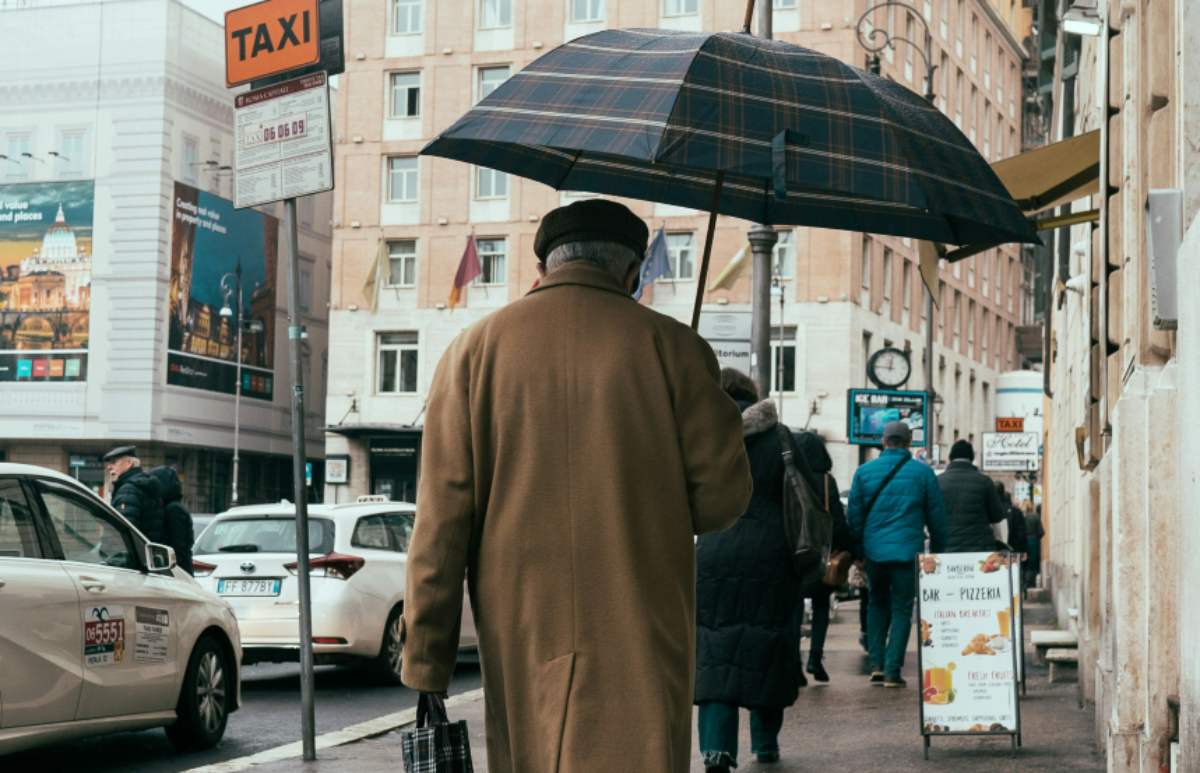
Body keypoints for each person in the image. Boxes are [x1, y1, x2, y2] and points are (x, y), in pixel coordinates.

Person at [400, 198, 753, 773]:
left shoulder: (471, 353)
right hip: (641, 629)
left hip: (522, 637)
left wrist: (426, 660)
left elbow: (440, 526)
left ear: (542, 268)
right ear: (633, 272)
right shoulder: (676, 348)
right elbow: (721, 501)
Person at [694, 369, 804, 771]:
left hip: (713, 552)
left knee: (715, 651)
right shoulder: (782, 438)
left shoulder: (701, 437)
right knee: (768, 645)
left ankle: (716, 751)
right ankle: (765, 742)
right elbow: (806, 494)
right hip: (772, 556)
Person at [847, 421, 948, 688]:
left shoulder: (863, 472)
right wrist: (938, 552)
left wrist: (857, 551)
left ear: (883, 441)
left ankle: (877, 665)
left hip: (874, 552)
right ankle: (893, 671)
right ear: (909, 442)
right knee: (903, 608)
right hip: (906, 552)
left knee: (876, 604)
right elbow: (936, 517)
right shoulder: (923, 473)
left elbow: (854, 517)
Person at [793, 430, 852, 683]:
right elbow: (837, 520)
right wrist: (847, 549)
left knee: (793, 608)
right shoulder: (827, 482)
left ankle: (794, 664)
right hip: (820, 555)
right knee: (820, 606)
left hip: (793, 554)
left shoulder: (791, 478)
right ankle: (815, 658)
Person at [937, 439, 1007, 552]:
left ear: (950, 457)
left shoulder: (937, 482)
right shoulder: (985, 481)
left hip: (946, 548)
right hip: (980, 548)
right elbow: (997, 516)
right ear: (972, 458)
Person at [103, 446, 165, 544]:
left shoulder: (128, 490)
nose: (109, 467)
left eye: (114, 462)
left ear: (129, 463)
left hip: (130, 552)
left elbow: (122, 531)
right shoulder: (143, 485)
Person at [149, 466, 194, 574]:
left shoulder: (173, 509)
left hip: (177, 570)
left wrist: (173, 569)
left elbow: (178, 545)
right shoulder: (170, 506)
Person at [1024, 503, 1045, 588]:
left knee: (1025, 561)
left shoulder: (1023, 517)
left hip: (1024, 540)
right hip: (1034, 540)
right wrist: (1036, 538)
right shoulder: (1036, 517)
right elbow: (1041, 532)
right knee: (1033, 562)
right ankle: (1031, 583)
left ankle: (1025, 582)